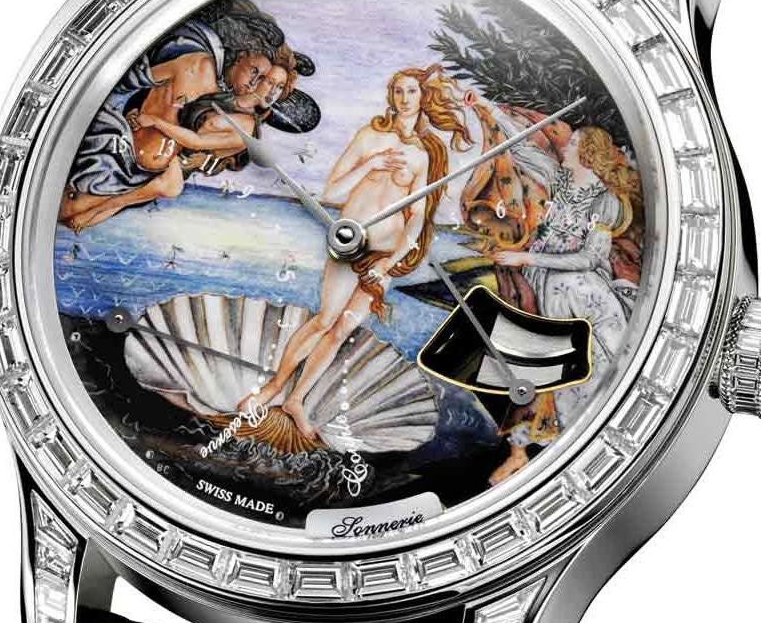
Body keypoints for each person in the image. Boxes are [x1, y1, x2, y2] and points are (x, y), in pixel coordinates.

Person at [242, 65, 473, 441]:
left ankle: (296, 400)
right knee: (324, 320)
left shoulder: (424, 155)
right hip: (350, 245)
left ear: (422, 97)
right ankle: (273, 388)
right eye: (398, 91)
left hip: (385, 256)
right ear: (390, 96)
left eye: (412, 91)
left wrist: (391, 263)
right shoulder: (369, 137)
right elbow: (331, 193)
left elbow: (417, 216)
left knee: (341, 330)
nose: (405, 98)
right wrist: (371, 165)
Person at [59, 0, 315, 231]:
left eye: (271, 84)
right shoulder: (203, 74)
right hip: (117, 155)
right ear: (241, 57)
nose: (256, 85)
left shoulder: (241, 120)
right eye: (257, 74)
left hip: (141, 173)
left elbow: (196, 143)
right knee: (69, 207)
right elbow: (132, 79)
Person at [488, 125, 643, 480]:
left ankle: (581, 460)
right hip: (551, 288)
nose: (565, 146)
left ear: (589, 152)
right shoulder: (561, 182)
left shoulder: (604, 201)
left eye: (573, 143)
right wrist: (485, 109)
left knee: (581, 379)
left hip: (583, 297)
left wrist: (527, 259)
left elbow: (590, 259)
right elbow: (523, 149)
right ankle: (525, 451)